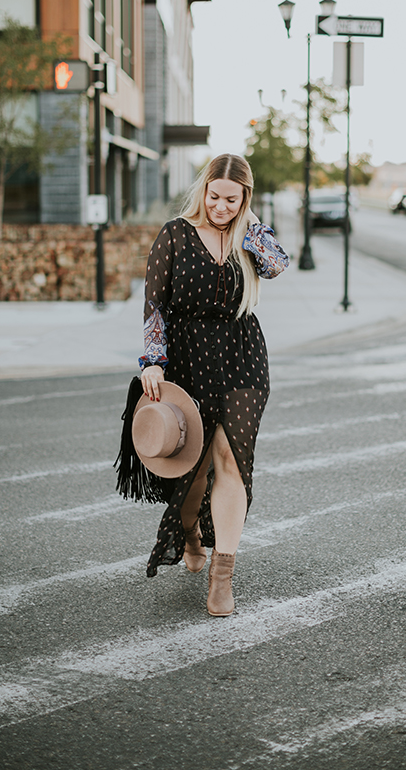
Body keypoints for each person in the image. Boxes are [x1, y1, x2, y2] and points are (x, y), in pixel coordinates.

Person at [139, 153, 289, 615]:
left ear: (245, 198)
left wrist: (251, 225)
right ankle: (191, 535)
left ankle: (222, 577)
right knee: (196, 468)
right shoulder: (176, 234)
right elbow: (154, 304)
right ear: (203, 190)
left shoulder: (247, 237)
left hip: (243, 355)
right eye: (215, 195)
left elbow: (278, 264)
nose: (221, 206)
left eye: (232, 199)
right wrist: (153, 361)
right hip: (188, 356)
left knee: (230, 459)